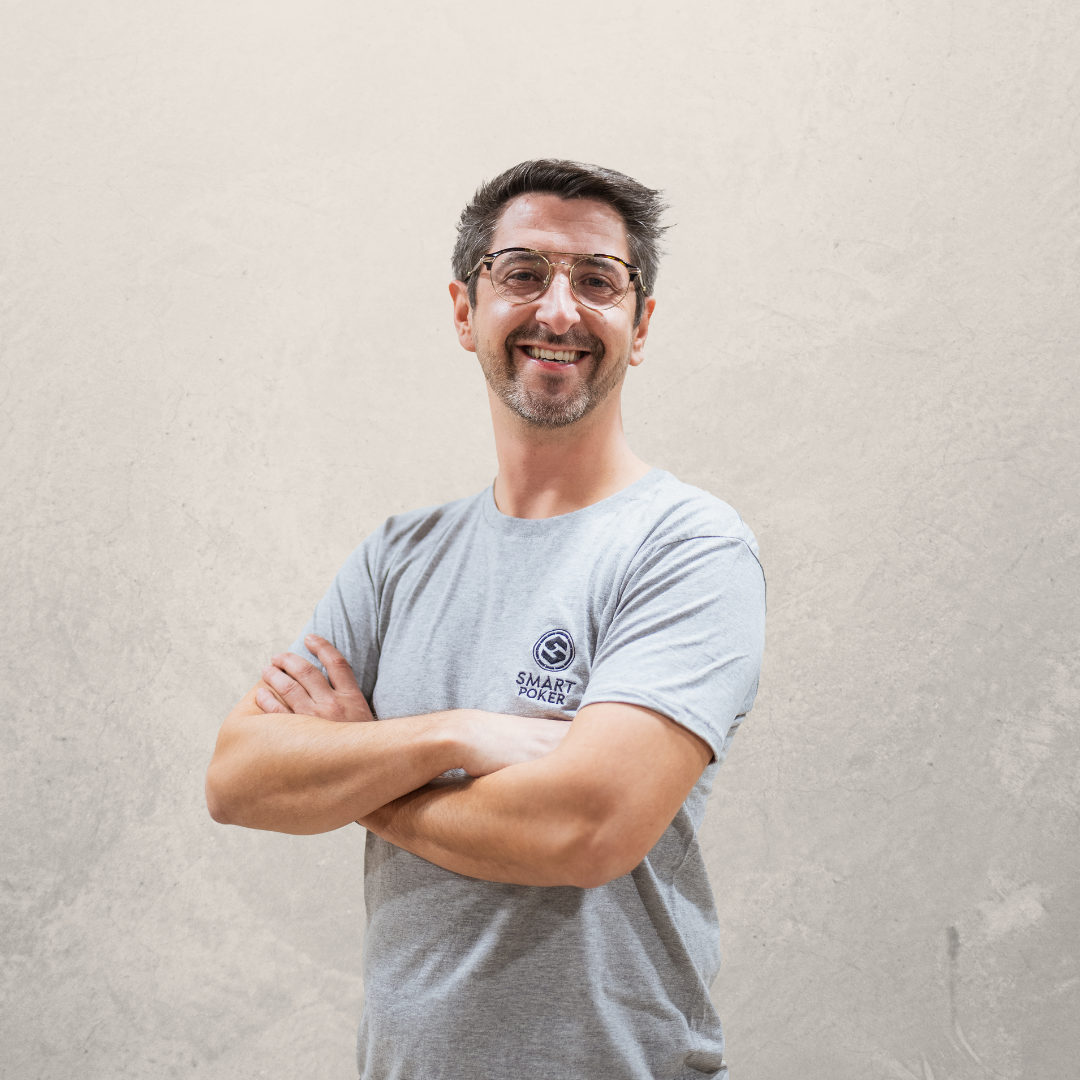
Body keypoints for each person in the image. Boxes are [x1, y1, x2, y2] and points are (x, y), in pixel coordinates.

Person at [205, 159, 766, 1080]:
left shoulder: (688, 549)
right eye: (523, 273)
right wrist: (455, 735)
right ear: (466, 311)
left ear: (641, 324)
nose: (560, 311)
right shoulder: (397, 558)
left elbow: (586, 829)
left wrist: (363, 771)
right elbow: (238, 779)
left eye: (598, 281)